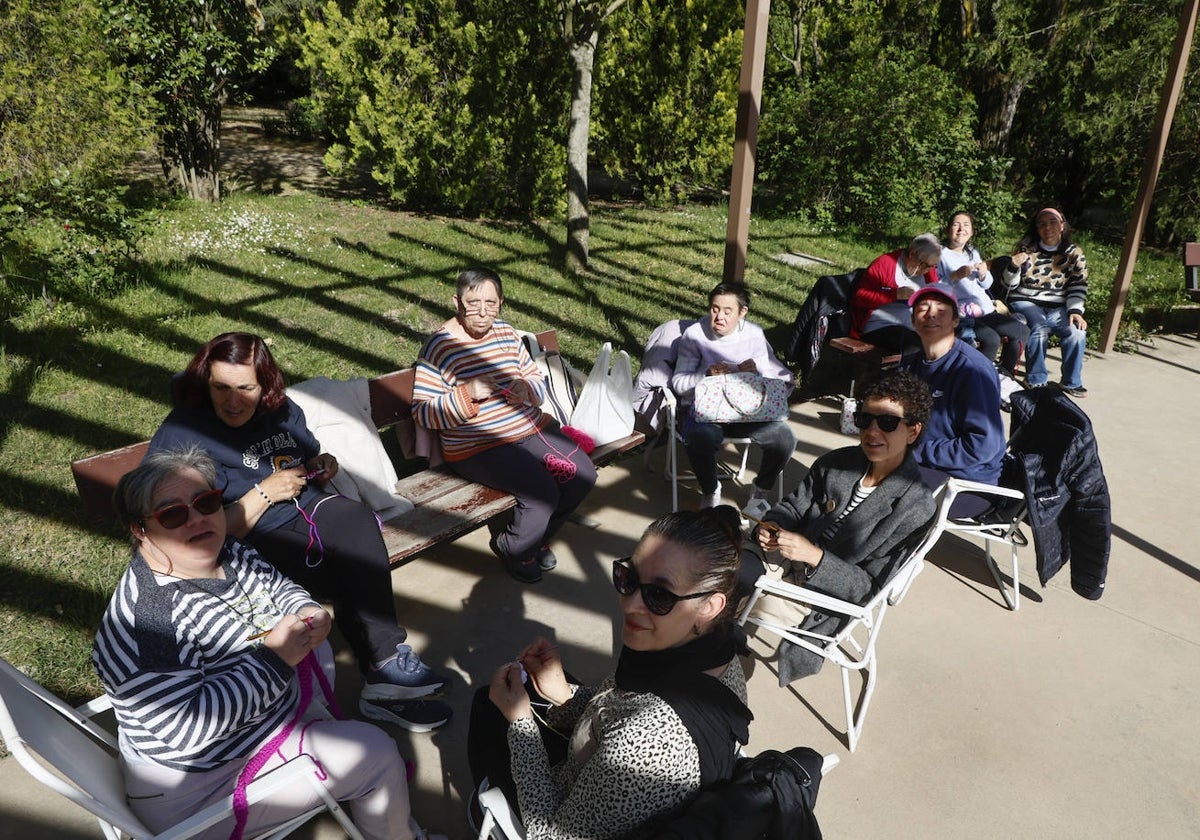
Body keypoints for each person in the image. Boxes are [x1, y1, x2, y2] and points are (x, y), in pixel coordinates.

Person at [92, 447, 440, 840]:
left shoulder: (221, 547)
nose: (196, 519)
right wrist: (275, 660)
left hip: (252, 729)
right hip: (204, 789)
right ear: (140, 529)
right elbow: (187, 731)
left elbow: (276, 586)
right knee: (375, 754)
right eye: (172, 514)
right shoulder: (149, 625)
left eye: (206, 502)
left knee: (316, 647)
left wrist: (307, 608)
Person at [147, 332, 450, 733]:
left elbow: (305, 455)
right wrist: (262, 494)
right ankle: (384, 675)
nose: (233, 401)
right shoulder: (185, 436)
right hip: (246, 541)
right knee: (349, 573)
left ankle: (385, 663)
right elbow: (193, 534)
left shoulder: (279, 408)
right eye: (220, 387)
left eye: (245, 388)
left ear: (266, 385)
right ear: (205, 381)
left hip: (307, 513)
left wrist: (321, 464)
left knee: (357, 527)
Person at [467, 508, 753, 840]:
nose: (630, 604)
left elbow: (551, 835)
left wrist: (520, 725)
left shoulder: (647, 743)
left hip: (563, 808)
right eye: (629, 579)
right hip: (604, 775)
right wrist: (565, 696)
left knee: (487, 708)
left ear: (709, 606)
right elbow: (618, 708)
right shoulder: (715, 652)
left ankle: (485, 809)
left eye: (659, 595)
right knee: (526, 691)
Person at [745, 370, 937, 683]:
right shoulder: (837, 463)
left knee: (722, 596)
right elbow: (793, 507)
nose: (872, 431)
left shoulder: (916, 508)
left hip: (821, 598)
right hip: (783, 562)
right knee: (712, 564)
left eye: (887, 422)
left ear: (913, 431)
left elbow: (868, 589)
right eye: (865, 419)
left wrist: (814, 557)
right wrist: (772, 525)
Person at [412, 266, 597, 584]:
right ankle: (515, 548)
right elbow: (423, 412)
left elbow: (535, 377)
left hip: (528, 428)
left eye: (491, 303)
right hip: (478, 446)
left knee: (583, 474)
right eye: (474, 303)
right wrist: (466, 394)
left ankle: (532, 540)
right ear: (457, 302)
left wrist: (527, 390)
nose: (483, 312)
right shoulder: (440, 348)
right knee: (542, 493)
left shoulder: (507, 334)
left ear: (500, 303)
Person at [670, 281, 795, 516]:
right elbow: (678, 384)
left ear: (742, 312)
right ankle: (710, 489)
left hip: (748, 413)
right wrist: (705, 375)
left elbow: (769, 377)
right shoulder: (695, 335)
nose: (719, 317)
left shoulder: (754, 334)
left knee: (785, 438)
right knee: (699, 438)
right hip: (708, 413)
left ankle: (760, 491)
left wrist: (756, 371)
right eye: (714, 309)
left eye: (728, 311)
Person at [899, 283, 1006, 494]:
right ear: (913, 320)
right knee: (852, 461)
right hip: (921, 462)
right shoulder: (911, 363)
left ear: (956, 320)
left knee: (884, 483)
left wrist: (918, 452)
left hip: (966, 481)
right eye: (922, 309)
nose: (931, 315)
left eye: (941, 310)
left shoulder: (973, 371)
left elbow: (983, 445)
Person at [1002, 207, 1089, 397]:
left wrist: (1075, 310)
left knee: (1077, 331)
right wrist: (1013, 266)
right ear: (1036, 228)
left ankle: (1071, 381)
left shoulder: (1073, 253)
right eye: (1042, 224)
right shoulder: (1026, 251)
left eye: (1052, 222)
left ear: (1062, 225)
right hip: (1026, 300)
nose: (1047, 227)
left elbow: (1078, 283)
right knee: (1039, 328)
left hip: (1058, 305)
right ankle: (1036, 379)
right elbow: (1009, 284)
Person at [936, 210, 1029, 381]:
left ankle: (1005, 377)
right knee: (991, 339)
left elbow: (986, 285)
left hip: (985, 309)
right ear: (948, 229)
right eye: (956, 224)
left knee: (1021, 330)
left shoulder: (972, 252)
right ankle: (978, 382)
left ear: (971, 232)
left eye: (966, 225)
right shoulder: (939, 255)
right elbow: (933, 290)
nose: (961, 229)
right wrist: (954, 276)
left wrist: (984, 274)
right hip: (962, 313)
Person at [849, 233, 941, 352]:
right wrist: (895, 294)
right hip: (880, 326)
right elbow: (860, 297)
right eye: (926, 265)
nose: (928, 270)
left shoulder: (929, 271)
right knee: (917, 347)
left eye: (933, 266)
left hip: (914, 327)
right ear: (912, 254)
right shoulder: (885, 264)